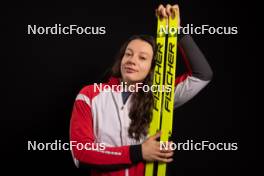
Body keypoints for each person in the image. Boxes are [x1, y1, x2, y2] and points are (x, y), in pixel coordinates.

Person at [70, 4, 213, 176]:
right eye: (128, 54)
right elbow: (82, 152)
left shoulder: (159, 96)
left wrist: (177, 31)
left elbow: (202, 74)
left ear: (151, 68)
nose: (132, 60)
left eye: (142, 58)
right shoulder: (89, 95)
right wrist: (138, 152)